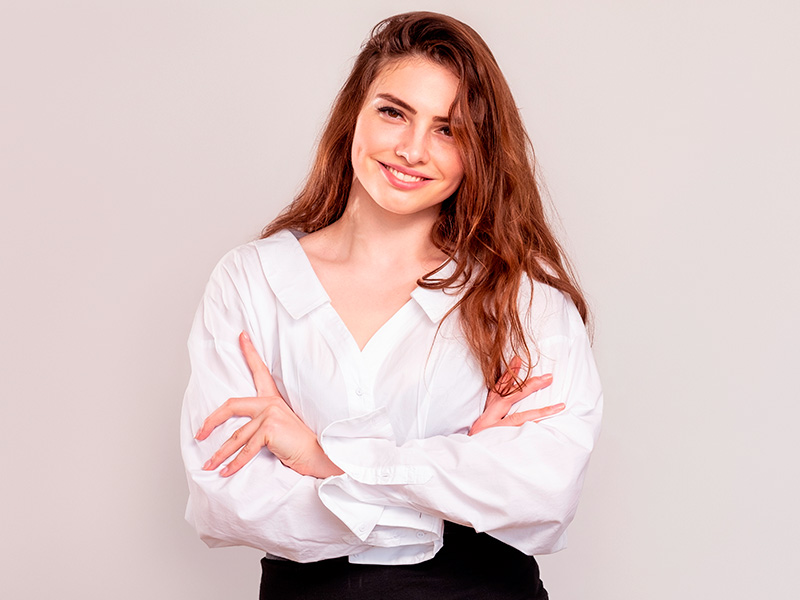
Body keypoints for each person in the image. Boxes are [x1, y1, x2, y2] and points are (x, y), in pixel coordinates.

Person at [180, 11, 602, 599]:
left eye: (448, 129)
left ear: (477, 151)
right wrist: (454, 472)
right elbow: (227, 502)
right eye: (393, 112)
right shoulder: (252, 281)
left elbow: (542, 493)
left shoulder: (522, 299)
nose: (412, 149)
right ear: (355, 111)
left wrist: (321, 458)